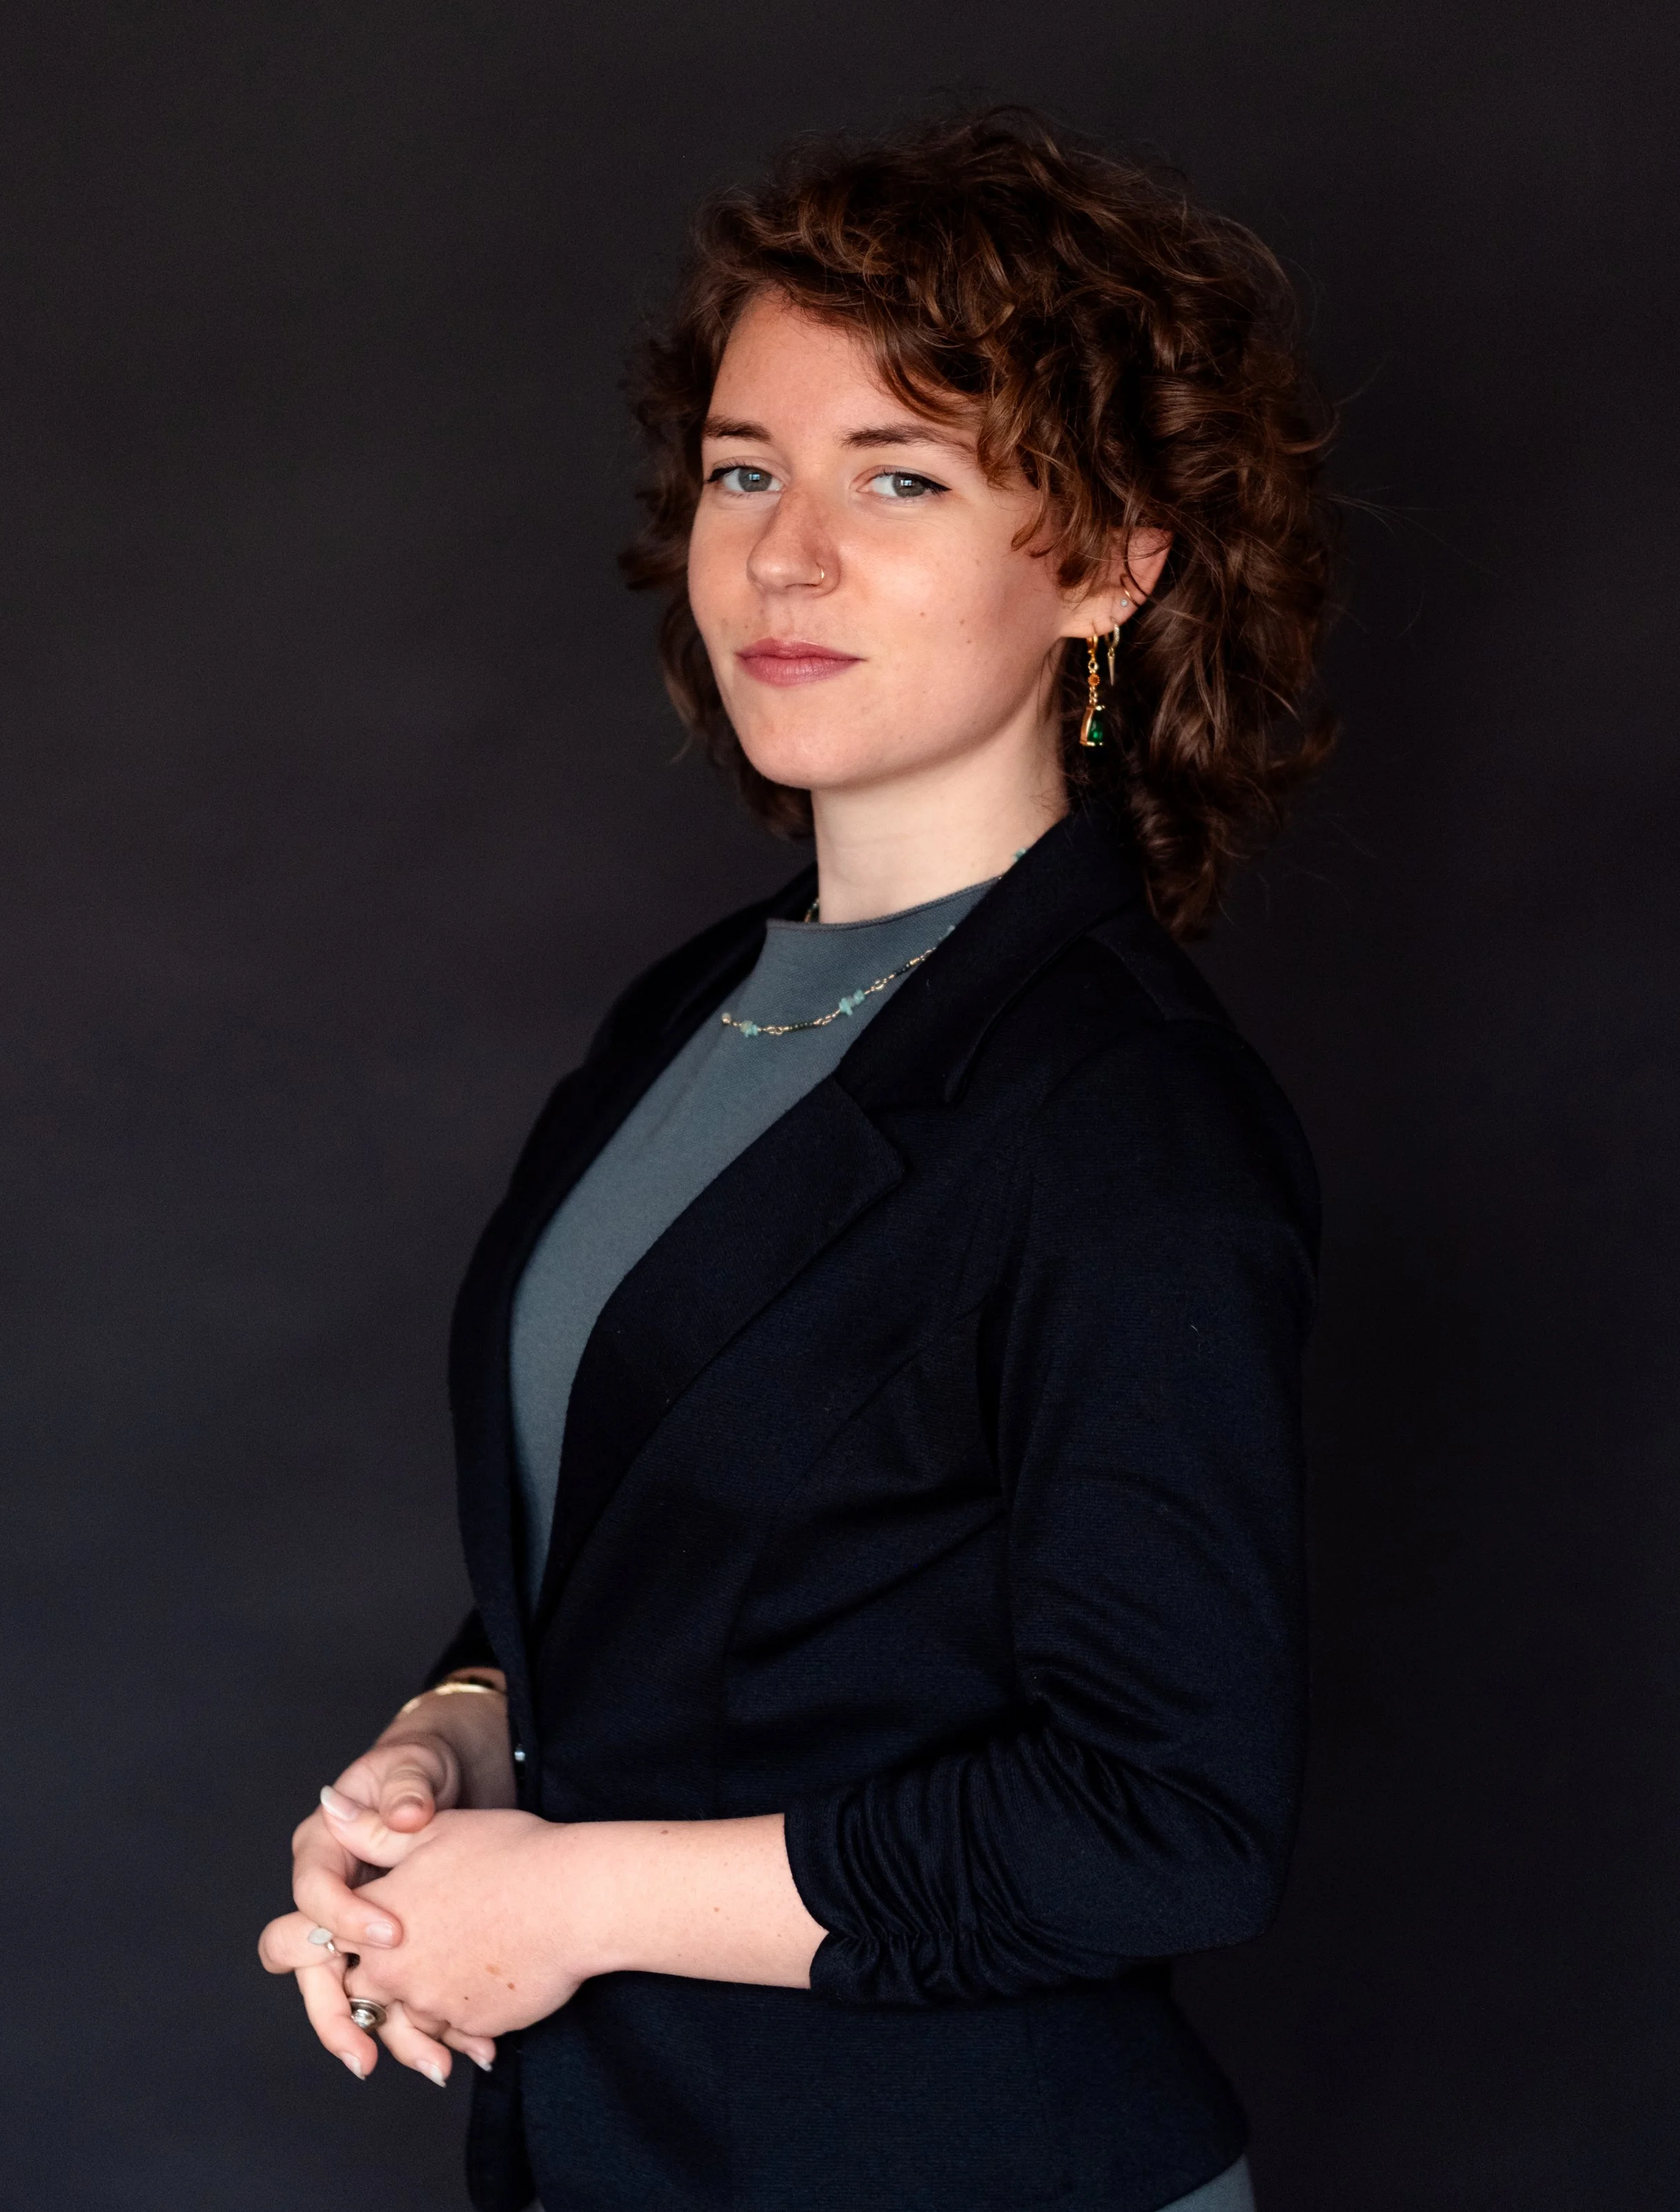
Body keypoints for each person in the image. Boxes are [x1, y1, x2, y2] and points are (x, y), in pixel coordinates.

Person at [258, 109, 1336, 2212]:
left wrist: (565, 1904)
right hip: (632, 2156)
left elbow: (1162, 1819)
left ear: (1113, 561)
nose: (785, 552)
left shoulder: (1125, 1116)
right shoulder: (692, 1012)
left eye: (900, 478)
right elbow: (673, 1557)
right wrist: (459, 1740)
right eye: (747, 469)